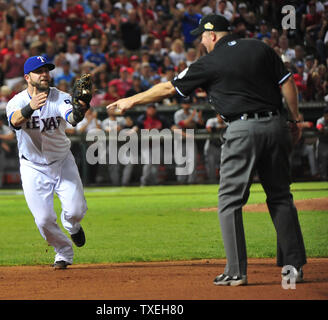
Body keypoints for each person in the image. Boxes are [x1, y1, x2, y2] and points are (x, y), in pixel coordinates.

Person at [106, 14, 307, 286]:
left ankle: (236, 271)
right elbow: (287, 82)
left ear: (213, 35)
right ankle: (293, 269)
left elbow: (168, 87)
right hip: (276, 125)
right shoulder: (261, 48)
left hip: (242, 129)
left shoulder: (209, 62)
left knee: (229, 201)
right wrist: (294, 119)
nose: (200, 39)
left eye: (202, 34)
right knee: (281, 196)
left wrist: (131, 100)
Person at [6, 55, 88, 269]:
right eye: (39, 71)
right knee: (43, 220)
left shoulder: (60, 97)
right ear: (27, 77)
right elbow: (14, 121)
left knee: (76, 211)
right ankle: (63, 252)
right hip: (32, 166)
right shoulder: (17, 101)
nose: (45, 74)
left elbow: (72, 118)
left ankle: (72, 226)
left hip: (62, 162)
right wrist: (30, 107)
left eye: (47, 70)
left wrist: (81, 107)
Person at [173, 96, 204, 184]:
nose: (187, 105)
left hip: (190, 140)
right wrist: (192, 118)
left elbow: (200, 124)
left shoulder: (192, 112)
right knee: (180, 161)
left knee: (192, 161)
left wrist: (200, 117)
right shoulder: (178, 113)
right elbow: (182, 124)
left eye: (188, 103)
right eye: (185, 103)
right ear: (182, 104)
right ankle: (181, 182)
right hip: (180, 140)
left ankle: (192, 181)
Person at [204, 113, 227, 183]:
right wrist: (219, 128)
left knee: (223, 164)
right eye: (219, 116)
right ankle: (212, 181)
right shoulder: (212, 121)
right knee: (211, 165)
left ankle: (224, 181)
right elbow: (209, 129)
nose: (221, 117)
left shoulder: (226, 121)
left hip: (222, 145)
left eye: (222, 116)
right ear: (217, 116)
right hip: (211, 145)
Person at [316, 107, 328, 180]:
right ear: (324, 115)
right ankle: (323, 178)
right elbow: (319, 128)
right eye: (327, 114)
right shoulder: (320, 120)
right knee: (323, 161)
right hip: (323, 143)